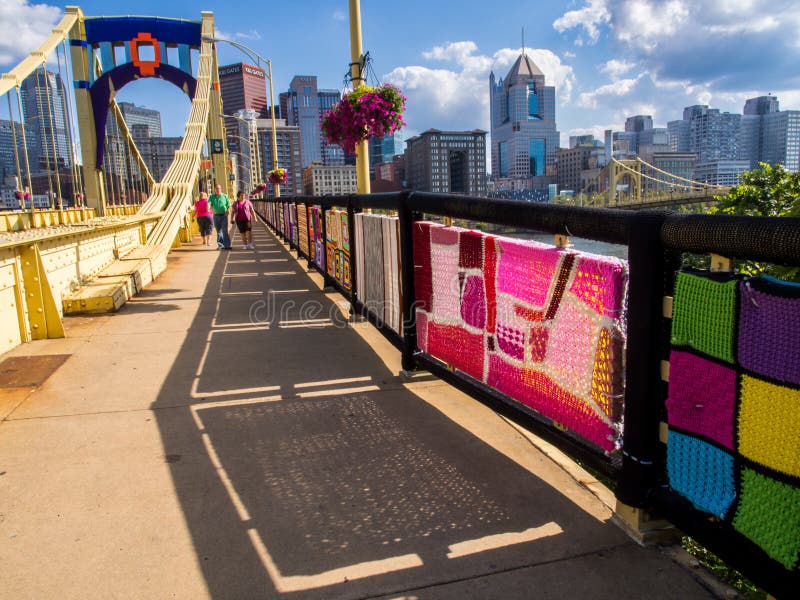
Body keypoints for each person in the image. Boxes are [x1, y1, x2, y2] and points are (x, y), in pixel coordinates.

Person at [208, 183, 231, 249]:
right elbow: (209, 203)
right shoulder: (212, 197)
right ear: (214, 189)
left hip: (224, 215)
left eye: (219, 188)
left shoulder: (225, 196)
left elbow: (229, 205)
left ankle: (227, 245)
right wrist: (208, 207)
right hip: (216, 216)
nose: (218, 190)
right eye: (217, 188)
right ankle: (220, 245)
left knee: (224, 230)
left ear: (221, 189)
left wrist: (228, 210)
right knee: (219, 231)